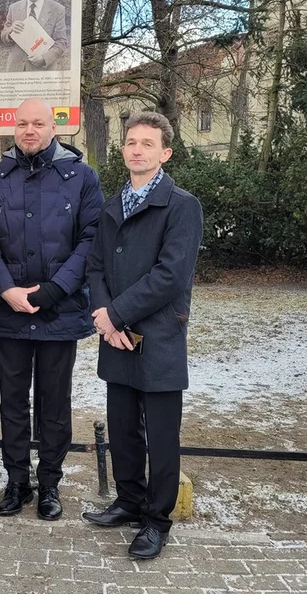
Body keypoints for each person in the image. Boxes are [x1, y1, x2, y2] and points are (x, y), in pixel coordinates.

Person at [0, 97, 104, 521]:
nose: (30, 130)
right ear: (14, 128)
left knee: (54, 402)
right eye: (22, 124)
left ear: (54, 127)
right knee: (12, 402)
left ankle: (49, 482)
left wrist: (52, 291)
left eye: (38, 124)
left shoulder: (81, 177)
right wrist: (6, 289)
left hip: (58, 312)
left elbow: (91, 240)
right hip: (9, 311)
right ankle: (16, 481)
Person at [82, 112, 202, 561]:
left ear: (165, 152)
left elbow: (170, 275)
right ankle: (129, 501)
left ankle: (156, 519)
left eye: (147, 143)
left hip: (158, 336)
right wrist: (104, 317)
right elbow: (95, 266)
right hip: (116, 336)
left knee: (161, 434)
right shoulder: (114, 203)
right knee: (123, 428)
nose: (136, 149)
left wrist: (114, 314)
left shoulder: (182, 205)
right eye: (131, 142)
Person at [0, 0, 69, 72]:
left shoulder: (57, 9)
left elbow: (61, 42)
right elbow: (4, 36)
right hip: (15, 70)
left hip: (41, 73)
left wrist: (44, 59)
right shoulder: (14, 8)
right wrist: (10, 30)